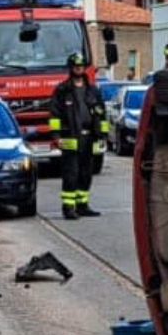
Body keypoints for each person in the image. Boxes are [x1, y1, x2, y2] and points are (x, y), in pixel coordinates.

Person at [51, 57, 105, 219]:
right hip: (70, 137)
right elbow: (55, 115)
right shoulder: (62, 90)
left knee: (86, 173)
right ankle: (68, 208)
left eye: (81, 66)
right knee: (71, 174)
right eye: (76, 66)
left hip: (89, 137)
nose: (79, 69)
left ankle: (82, 205)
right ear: (71, 68)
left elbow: (102, 114)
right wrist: (56, 136)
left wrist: (102, 135)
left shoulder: (93, 90)